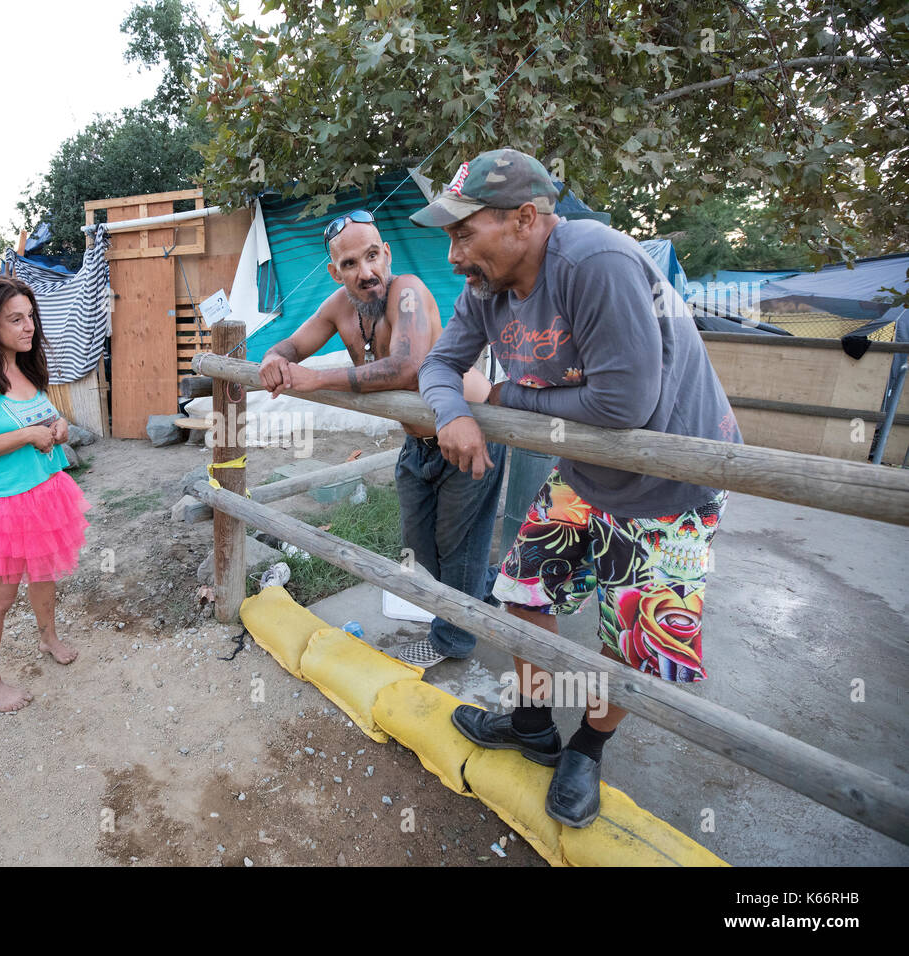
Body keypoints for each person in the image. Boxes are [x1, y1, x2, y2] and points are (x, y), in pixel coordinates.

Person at [413, 148, 742, 827]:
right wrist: (454, 413)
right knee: (523, 590)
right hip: (588, 475)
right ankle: (534, 722)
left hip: (672, 486)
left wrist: (499, 395)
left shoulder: (595, 262)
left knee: (632, 640)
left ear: (525, 219)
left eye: (462, 232)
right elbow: (442, 365)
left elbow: (625, 406)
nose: (452, 255)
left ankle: (589, 747)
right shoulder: (487, 288)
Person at [258, 209, 507, 669]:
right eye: (351, 264)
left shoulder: (406, 292)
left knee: (459, 544)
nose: (366, 272)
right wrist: (274, 358)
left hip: (471, 431)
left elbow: (406, 367)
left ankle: (452, 638)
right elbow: (291, 346)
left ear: (386, 254)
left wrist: (315, 380)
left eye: (373, 256)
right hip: (419, 444)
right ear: (336, 271)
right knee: (420, 544)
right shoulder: (338, 306)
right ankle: (487, 588)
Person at [0, 276, 91, 713]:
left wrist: (57, 425)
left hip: (44, 495)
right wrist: (28, 436)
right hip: (2, 506)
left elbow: (42, 417)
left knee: (45, 576)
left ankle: (48, 638)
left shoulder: (25, 365)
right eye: (15, 319)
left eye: (30, 317)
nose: (28, 327)